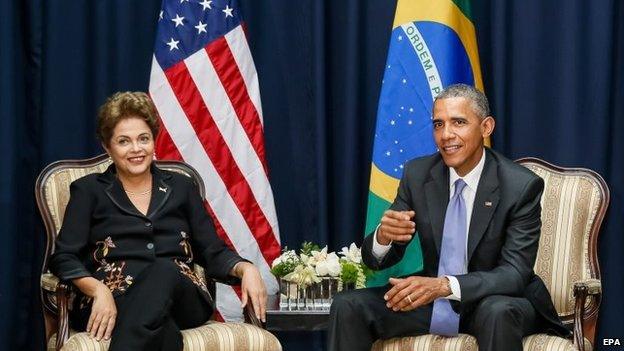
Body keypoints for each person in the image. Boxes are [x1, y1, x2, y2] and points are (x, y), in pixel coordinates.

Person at [328, 84, 569, 351]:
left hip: (496, 299)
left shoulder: (520, 186)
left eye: (458, 122)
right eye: (438, 124)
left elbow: (514, 273)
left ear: (486, 127)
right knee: (348, 305)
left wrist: (445, 286)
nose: (446, 135)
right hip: (435, 298)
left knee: (497, 311)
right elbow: (377, 258)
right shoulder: (418, 175)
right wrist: (384, 238)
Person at [49, 91, 267, 351]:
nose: (136, 149)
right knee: (161, 331)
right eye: (123, 141)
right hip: (113, 299)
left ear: (154, 140)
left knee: (163, 269)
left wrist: (247, 269)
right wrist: (98, 290)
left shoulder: (182, 187)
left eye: (144, 138)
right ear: (107, 147)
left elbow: (212, 250)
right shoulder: (88, 191)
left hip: (183, 297)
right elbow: (64, 257)